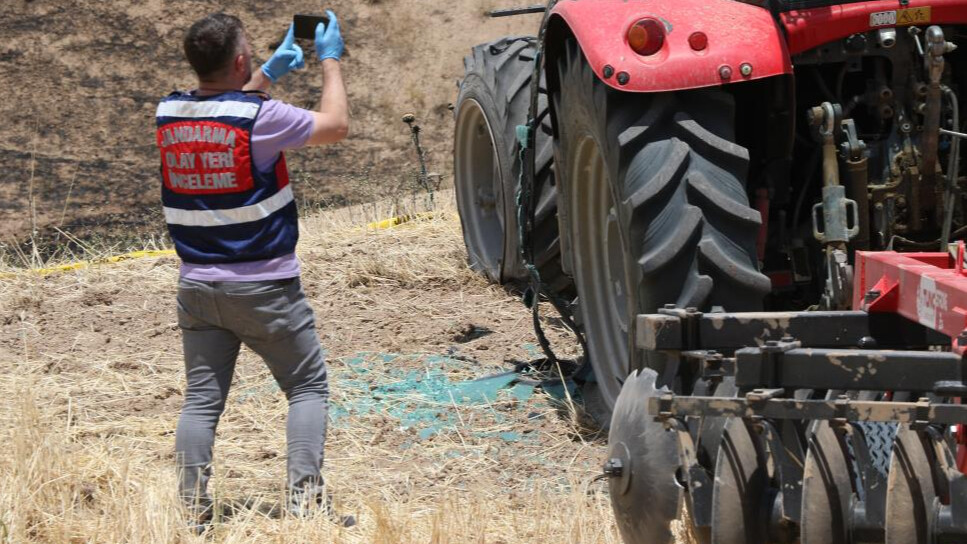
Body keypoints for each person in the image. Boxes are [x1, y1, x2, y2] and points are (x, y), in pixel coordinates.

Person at [154, 11, 351, 531]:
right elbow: (335, 126)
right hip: (266, 287)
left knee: (201, 402)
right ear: (240, 60)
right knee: (307, 388)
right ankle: (306, 506)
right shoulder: (261, 118)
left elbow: (223, 114)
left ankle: (192, 512)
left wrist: (267, 74)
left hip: (197, 285)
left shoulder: (168, 112)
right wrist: (330, 60)